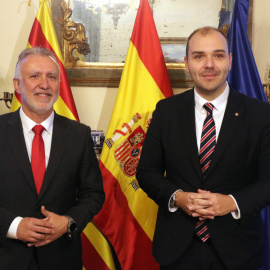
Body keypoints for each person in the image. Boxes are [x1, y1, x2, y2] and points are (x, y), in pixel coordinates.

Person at [137, 26, 270, 270]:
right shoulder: (166, 111)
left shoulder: (260, 114)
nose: (209, 64)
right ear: (187, 63)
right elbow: (146, 172)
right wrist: (178, 197)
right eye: (199, 56)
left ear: (230, 60)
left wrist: (231, 202)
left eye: (218, 55)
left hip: (239, 251)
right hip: (177, 249)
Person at [0, 47, 105, 270]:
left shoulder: (79, 134)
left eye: (52, 77)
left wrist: (68, 222)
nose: (44, 84)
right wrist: (13, 226)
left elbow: (93, 194)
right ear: (17, 84)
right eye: (35, 76)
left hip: (61, 259)